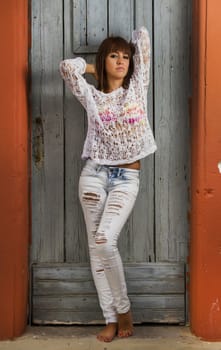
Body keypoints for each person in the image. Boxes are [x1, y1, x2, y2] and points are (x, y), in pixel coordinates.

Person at [60, 26, 157, 342]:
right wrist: (93, 66)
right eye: (113, 55)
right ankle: (110, 319)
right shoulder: (90, 94)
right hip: (94, 174)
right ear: (104, 61)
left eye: (125, 56)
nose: (121, 61)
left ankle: (123, 308)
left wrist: (127, 51)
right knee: (95, 249)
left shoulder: (137, 88)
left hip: (126, 178)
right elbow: (66, 67)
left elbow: (142, 37)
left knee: (104, 242)